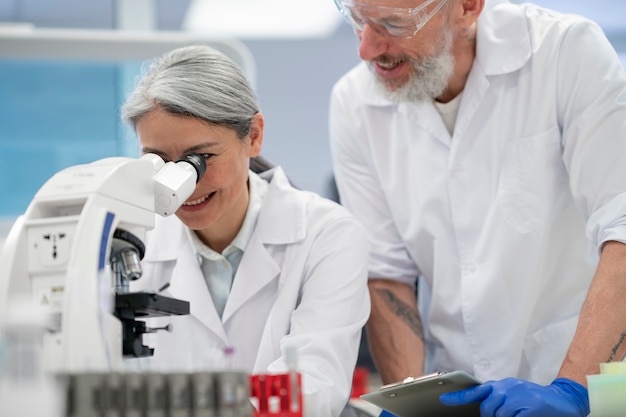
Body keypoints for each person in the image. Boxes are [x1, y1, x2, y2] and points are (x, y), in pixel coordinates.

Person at [328, 0, 626, 415]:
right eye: (358, 21)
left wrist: (572, 389)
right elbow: (386, 275)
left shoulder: (565, 52)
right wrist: (407, 401)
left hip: (586, 387)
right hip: (458, 395)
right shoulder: (354, 103)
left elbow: (622, 228)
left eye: (394, 24)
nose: (367, 49)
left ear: (467, 7)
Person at [121, 44, 371, 417]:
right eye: (157, 161)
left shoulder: (327, 235)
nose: (180, 185)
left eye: (199, 159)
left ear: (253, 135)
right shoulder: (129, 247)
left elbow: (312, 387)